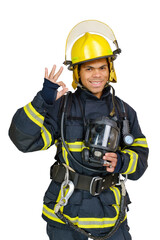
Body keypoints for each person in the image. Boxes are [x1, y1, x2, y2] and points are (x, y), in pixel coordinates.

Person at [9, 20, 149, 240]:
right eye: (89, 68)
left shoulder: (123, 111)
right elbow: (23, 141)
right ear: (77, 72)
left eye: (102, 67)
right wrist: (42, 101)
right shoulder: (61, 108)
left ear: (110, 69)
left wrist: (121, 162)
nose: (97, 75)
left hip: (111, 215)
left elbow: (140, 163)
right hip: (66, 214)